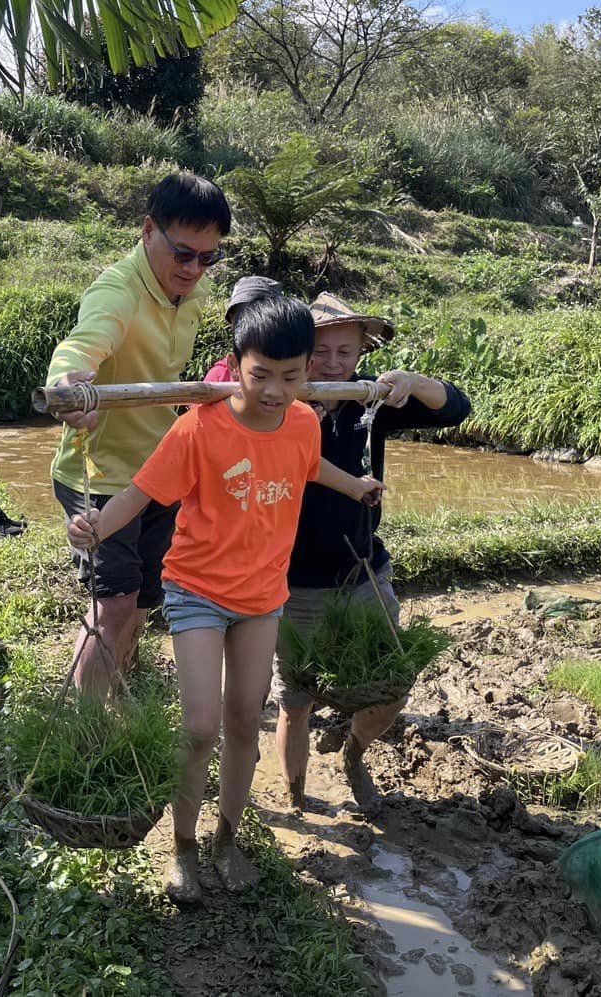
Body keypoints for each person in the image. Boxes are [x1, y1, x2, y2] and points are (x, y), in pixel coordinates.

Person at [67, 296, 385, 905]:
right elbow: (140, 493)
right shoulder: (200, 427)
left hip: (263, 596)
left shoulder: (301, 421)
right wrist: (97, 527)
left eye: (291, 377)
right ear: (236, 363)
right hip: (198, 591)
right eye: (260, 373)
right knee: (199, 726)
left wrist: (357, 485)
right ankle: (183, 849)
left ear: (306, 371)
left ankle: (228, 839)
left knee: (244, 721)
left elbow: (308, 467)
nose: (274, 389)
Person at [272, 293, 472, 810]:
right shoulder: (277, 406)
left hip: (361, 571)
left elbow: (455, 407)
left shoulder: (371, 406)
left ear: (362, 354)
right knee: (294, 702)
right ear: (299, 352)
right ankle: (296, 796)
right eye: (321, 352)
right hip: (288, 581)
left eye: (345, 351)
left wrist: (410, 382)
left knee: (390, 685)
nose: (334, 363)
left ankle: (354, 754)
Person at [47, 172, 231, 696]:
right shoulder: (117, 289)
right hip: (101, 476)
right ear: (149, 230)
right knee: (114, 604)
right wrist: (67, 384)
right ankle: (82, 729)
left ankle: (117, 701)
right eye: (183, 254)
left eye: (208, 258)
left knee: (144, 603)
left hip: (158, 473)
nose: (194, 269)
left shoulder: (189, 298)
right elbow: (83, 344)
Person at [203, 276, 282, 383]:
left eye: (259, 314)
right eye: (242, 314)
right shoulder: (219, 376)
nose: (249, 321)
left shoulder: (293, 370)